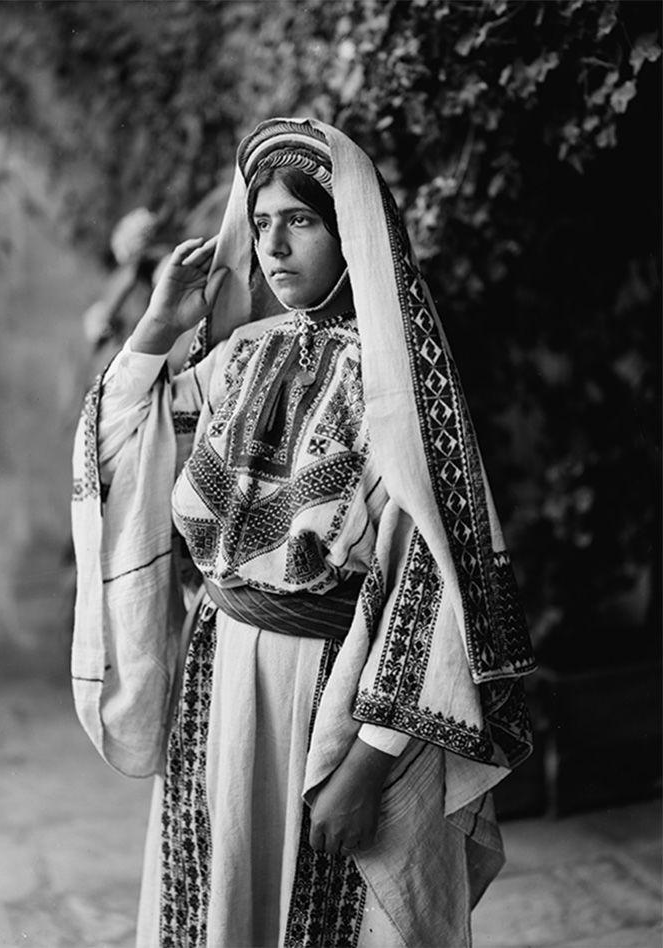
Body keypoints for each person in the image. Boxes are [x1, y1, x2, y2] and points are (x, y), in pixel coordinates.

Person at [70, 118, 535, 947]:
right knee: (219, 899)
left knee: (318, 907)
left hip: (331, 696)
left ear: (349, 230)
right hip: (218, 683)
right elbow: (117, 454)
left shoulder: (398, 387)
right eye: (260, 224)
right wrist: (154, 329)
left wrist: (367, 765)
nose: (275, 247)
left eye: (302, 220)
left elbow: (433, 584)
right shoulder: (237, 358)